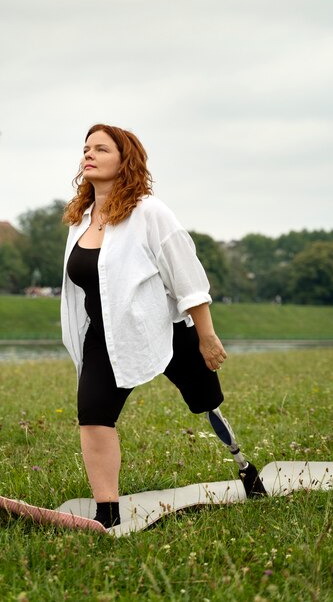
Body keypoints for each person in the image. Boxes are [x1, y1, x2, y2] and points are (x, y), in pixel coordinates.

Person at [61, 124, 265, 529]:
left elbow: (187, 277)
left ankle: (244, 466)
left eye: (101, 149)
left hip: (166, 328)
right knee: (93, 416)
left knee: (206, 400)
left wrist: (206, 336)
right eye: (86, 148)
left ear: (125, 160)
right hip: (105, 336)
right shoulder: (80, 219)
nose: (89, 154)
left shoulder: (149, 212)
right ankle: (108, 514)